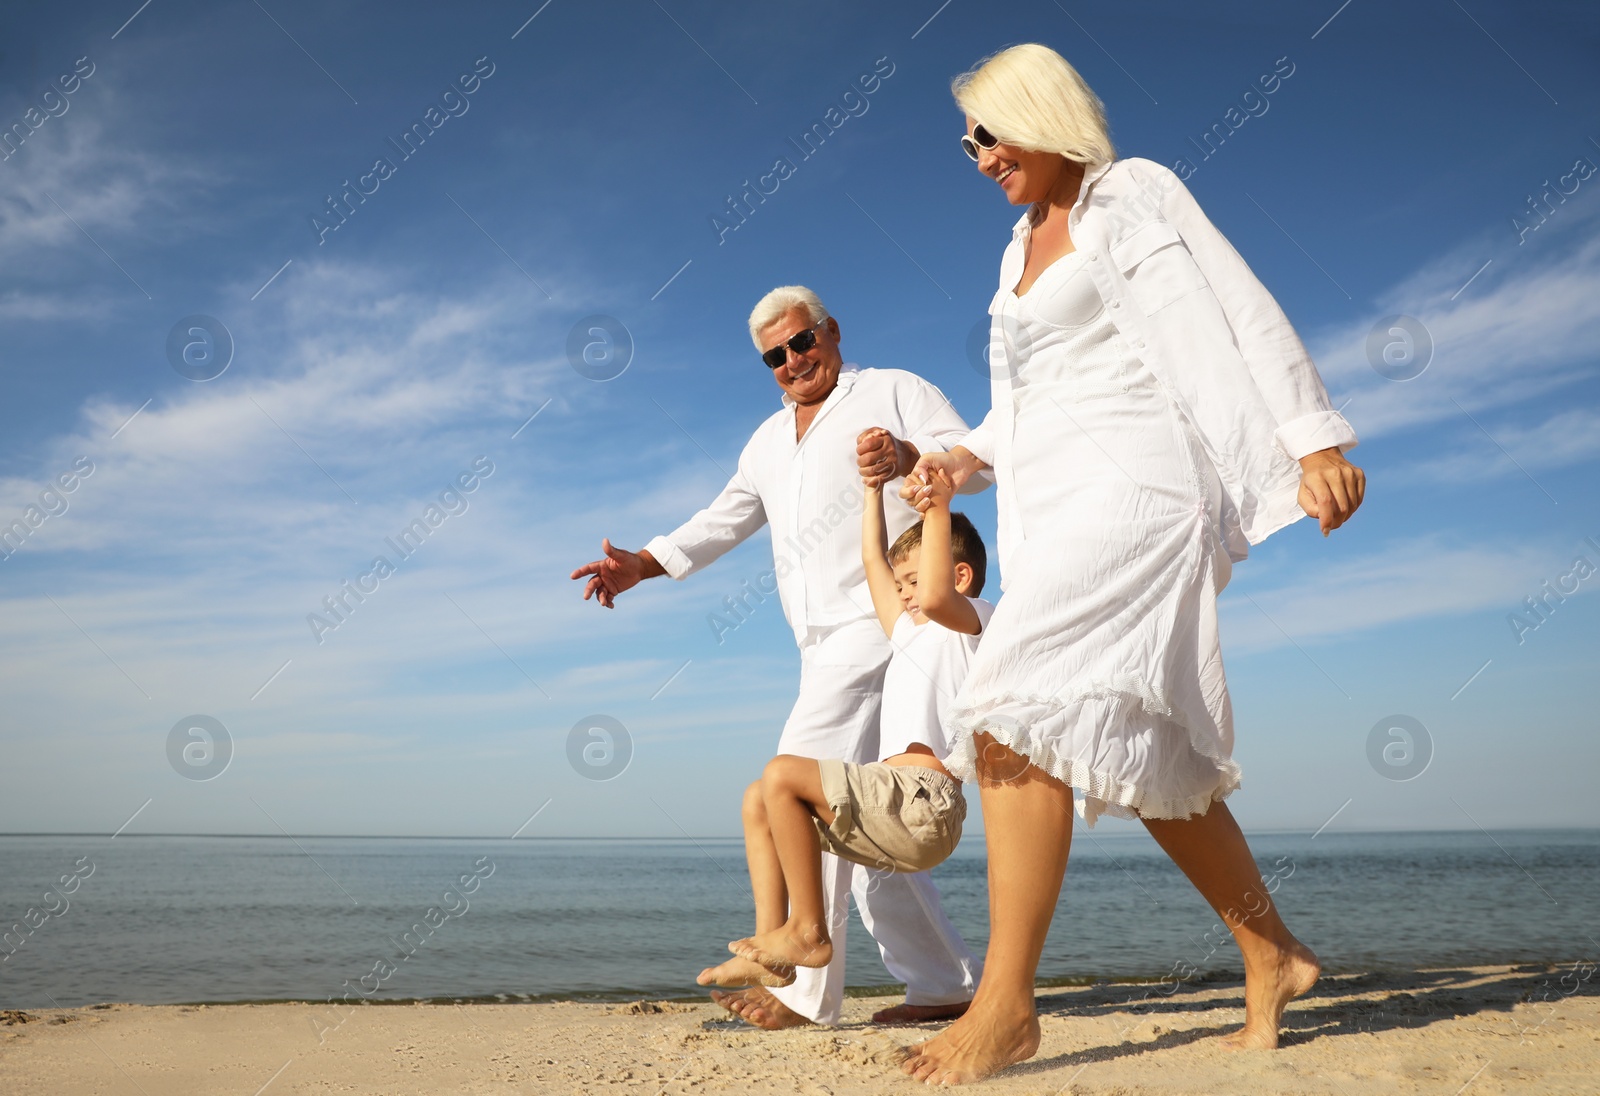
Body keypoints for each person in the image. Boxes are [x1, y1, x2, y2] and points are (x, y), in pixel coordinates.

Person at [895, 44, 1368, 1084]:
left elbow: (1236, 303)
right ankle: (1271, 952)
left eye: (989, 131)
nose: (976, 156)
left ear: (1038, 112)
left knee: (1009, 698)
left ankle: (1005, 1005)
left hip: (1143, 490)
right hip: (1054, 504)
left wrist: (1310, 433)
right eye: (964, 141)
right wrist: (944, 462)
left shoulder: (1131, 192)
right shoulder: (1013, 255)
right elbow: (1017, 412)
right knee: (1158, 759)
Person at [570, 286, 986, 1029]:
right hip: (818, 643)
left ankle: (802, 988)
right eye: (774, 356)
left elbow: (976, 461)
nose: (792, 362)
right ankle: (943, 985)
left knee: (790, 780)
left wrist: (911, 455)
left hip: (883, 622)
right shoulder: (766, 442)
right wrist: (646, 563)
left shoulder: (892, 390)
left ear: (830, 332)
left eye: (801, 343)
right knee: (861, 821)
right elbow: (725, 516)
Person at [696, 446, 992, 991]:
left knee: (784, 772)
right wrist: (872, 492)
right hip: (893, 804)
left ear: (962, 575)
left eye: (915, 581)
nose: (905, 594)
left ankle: (808, 931)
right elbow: (874, 562)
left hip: (926, 802)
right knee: (759, 797)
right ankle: (774, 948)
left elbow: (934, 589)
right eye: (903, 585)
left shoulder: (970, 621)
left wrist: (936, 504)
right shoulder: (908, 631)